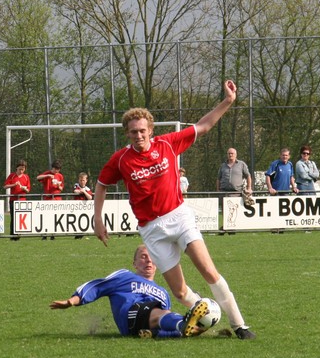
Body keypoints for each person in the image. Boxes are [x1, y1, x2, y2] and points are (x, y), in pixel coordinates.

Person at [94, 80, 257, 340]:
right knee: (180, 292)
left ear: (151, 130)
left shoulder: (168, 144)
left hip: (179, 217)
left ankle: (240, 325)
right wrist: (98, 219)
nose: (139, 135)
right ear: (127, 133)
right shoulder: (121, 159)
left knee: (209, 271)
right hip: (152, 230)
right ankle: (204, 314)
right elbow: (101, 184)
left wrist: (228, 101)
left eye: (142, 130)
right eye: (133, 132)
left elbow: (204, 126)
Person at [49, 244, 207, 338]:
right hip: (131, 314)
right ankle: (184, 323)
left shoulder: (163, 293)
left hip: (143, 325)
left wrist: (157, 334)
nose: (148, 260)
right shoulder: (124, 276)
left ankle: (186, 326)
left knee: (166, 317)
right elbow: (97, 286)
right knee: (164, 315)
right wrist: (72, 301)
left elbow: (162, 321)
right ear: (135, 263)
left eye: (152, 257)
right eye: (143, 257)